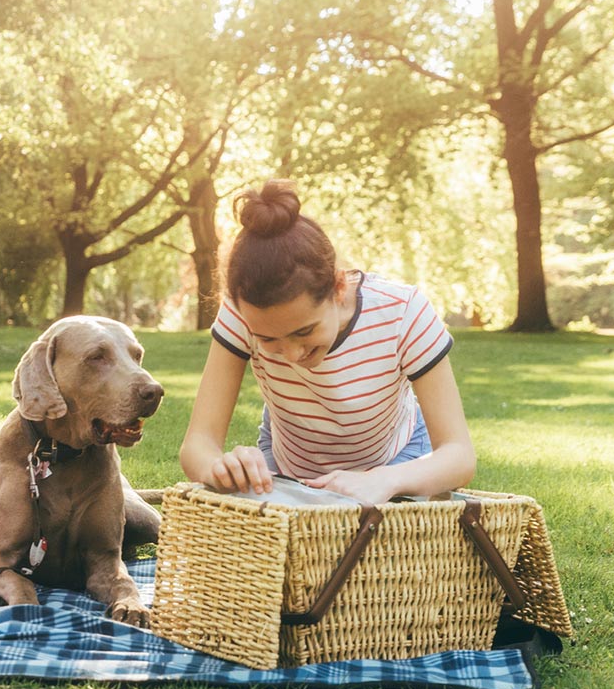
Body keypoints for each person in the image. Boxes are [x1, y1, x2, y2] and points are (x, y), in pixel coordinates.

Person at [178, 179, 476, 505]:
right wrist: (220, 468)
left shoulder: (403, 312)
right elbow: (198, 445)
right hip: (288, 467)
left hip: (398, 462)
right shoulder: (241, 313)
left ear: (338, 287)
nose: (292, 355)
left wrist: (383, 480)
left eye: (304, 331)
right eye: (267, 338)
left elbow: (459, 455)